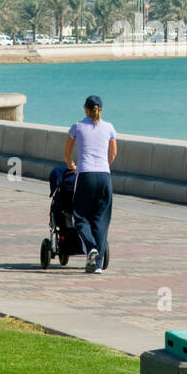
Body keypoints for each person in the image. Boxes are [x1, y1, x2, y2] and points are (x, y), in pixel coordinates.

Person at [64, 94, 116, 273]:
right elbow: (113, 155)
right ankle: (98, 265)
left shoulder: (77, 127)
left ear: (85, 109)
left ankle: (91, 247)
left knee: (80, 217)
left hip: (85, 175)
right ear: (101, 109)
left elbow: (67, 155)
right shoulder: (109, 127)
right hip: (104, 177)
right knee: (101, 219)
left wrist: (72, 166)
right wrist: (103, 166)